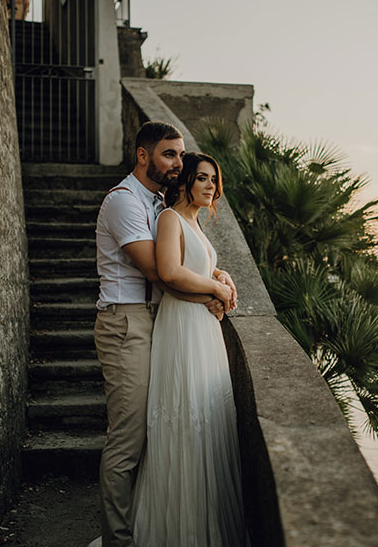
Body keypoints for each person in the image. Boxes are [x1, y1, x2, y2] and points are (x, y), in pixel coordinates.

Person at [93, 122, 235, 547]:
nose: (179, 163)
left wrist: (215, 276)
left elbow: (183, 260)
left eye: (180, 155)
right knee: (129, 437)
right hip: (126, 322)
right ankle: (119, 540)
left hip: (157, 321)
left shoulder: (158, 204)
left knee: (159, 429)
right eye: (170, 154)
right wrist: (214, 289)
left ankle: (156, 522)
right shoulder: (124, 203)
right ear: (143, 155)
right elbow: (161, 272)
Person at [130, 152, 249, 546]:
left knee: (208, 417)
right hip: (181, 326)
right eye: (203, 178)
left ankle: (206, 523)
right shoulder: (170, 218)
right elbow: (169, 270)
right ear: (184, 183)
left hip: (202, 327)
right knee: (185, 415)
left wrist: (217, 272)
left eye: (214, 180)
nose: (211, 186)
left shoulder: (196, 223)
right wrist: (216, 288)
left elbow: (193, 264)